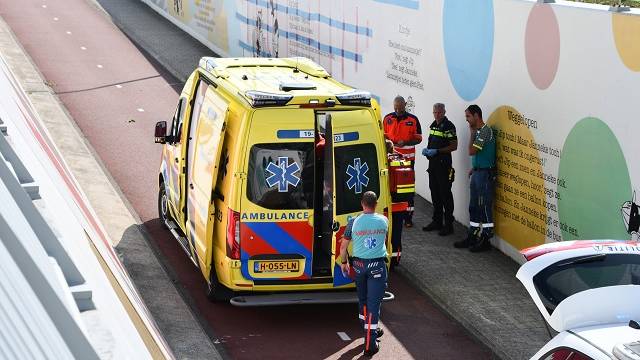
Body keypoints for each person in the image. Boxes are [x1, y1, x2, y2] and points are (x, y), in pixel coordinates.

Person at [339, 191, 389, 356]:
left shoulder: (353, 222)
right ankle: (370, 343)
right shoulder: (384, 220)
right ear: (375, 204)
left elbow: (343, 247)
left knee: (363, 300)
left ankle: (366, 326)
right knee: (374, 304)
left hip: (359, 266)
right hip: (377, 266)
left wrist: (344, 263)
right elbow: (384, 239)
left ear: (362, 203)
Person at [454, 105, 496, 252]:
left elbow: (472, 151)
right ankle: (472, 234)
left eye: (468, 117)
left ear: (476, 115)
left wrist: (471, 134)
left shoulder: (484, 131)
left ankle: (486, 238)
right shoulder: (479, 131)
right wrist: (475, 167)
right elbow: (479, 155)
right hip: (478, 172)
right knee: (473, 206)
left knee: (484, 206)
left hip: (485, 175)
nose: (467, 120)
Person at [383, 96, 422, 228]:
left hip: (408, 162)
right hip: (391, 161)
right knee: (392, 189)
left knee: (407, 191)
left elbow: (419, 139)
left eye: (400, 108)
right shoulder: (387, 119)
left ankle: (408, 218)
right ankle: (393, 216)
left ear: (405, 105)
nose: (398, 110)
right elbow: (383, 136)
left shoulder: (413, 119)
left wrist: (405, 142)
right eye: (396, 108)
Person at [421, 103, 458, 236]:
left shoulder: (448, 126)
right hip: (433, 166)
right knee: (435, 194)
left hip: (444, 165)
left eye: (439, 112)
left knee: (445, 195)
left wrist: (437, 151)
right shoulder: (433, 125)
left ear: (444, 112)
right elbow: (431, 142)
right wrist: (428, 151)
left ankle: (448, 225)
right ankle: (437, 221)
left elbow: (454, 146)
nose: (437, 115)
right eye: (435, 112)